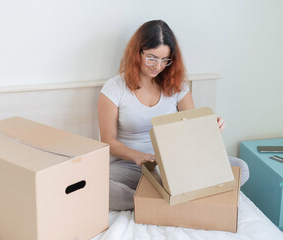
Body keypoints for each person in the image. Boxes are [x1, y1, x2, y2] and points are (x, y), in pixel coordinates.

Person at [98, 20, 249, 211]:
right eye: (152, 58)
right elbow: (108, 141)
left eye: (165, 60)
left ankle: (160, 198)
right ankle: (158, 200)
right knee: (95, 182)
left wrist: (212, 128)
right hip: (133, 165)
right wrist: (139, 156)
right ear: (137, 53)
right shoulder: (113, 88)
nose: (158, 66)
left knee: (241, 168)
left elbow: (193, 130)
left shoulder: (177, 86)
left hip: (175, 161)